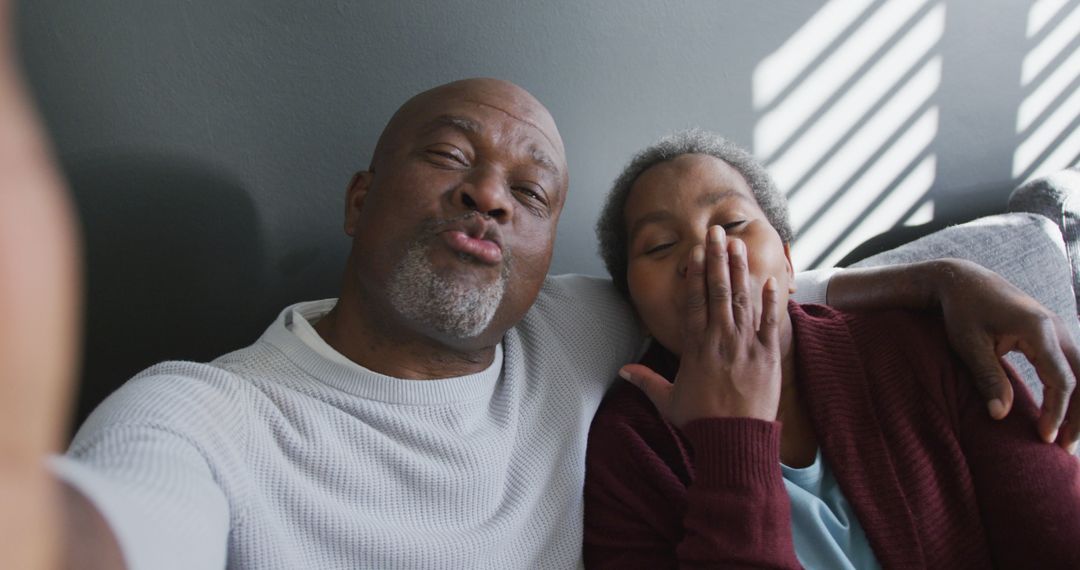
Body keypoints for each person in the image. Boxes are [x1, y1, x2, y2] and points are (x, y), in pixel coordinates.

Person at [2, 4, 1079, 565]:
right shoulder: (202, 415)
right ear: (358, 198)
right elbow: (122, 520)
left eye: (532, 189)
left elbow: (753, 294)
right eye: (452, 158)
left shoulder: (568, 328)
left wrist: (945, 277)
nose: (491, 201)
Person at [584, 130, 1080, 568]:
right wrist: (730, 440)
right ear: (634, 304)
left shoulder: (920, 345)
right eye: (658, 246)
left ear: (787, 258)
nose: (704, 254)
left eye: (732, 224)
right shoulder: (628, 450)